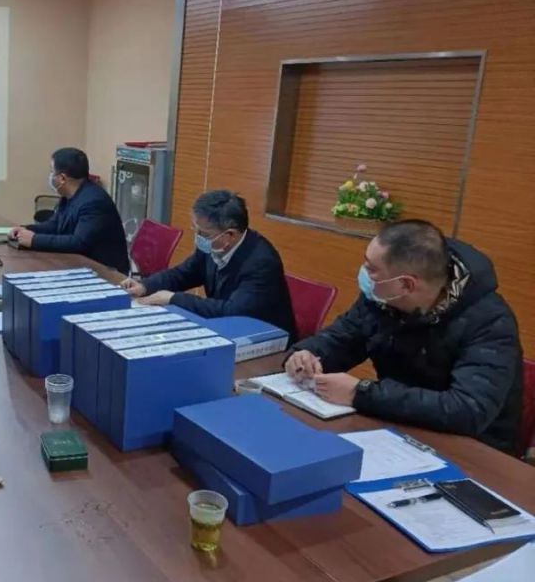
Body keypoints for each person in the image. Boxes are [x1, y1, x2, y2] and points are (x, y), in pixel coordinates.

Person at [286, 220, 523, 455]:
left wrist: (362, 393)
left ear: (406, 284)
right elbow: (345, 336)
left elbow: (468, 410)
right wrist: (306, 354)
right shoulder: (381, 297)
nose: (365, 274)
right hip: (396, 426)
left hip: (472, 451)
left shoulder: (489, 322)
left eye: (371, 269)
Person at [121, 190, 297, 338]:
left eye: (204, 233)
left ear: (230, 235)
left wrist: (173, 298)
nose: (198, 237)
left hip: (264, 343)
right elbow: (184, 273)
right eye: (195, 229)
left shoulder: (261, 262)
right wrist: (145, 286)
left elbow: (232, 311)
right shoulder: (213, 246)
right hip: (225, 329)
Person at [9, 147, 129, 273]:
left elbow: (79, 242)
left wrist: (34, 240)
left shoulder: (94, 201)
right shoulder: (69, 195)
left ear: (62, 178)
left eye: (52, 172)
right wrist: (26, 230)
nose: (50, 176)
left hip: (105, 272)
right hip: (78, 264)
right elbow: (55, 225)